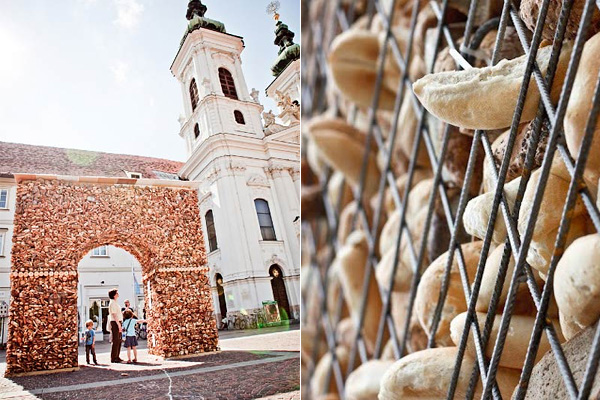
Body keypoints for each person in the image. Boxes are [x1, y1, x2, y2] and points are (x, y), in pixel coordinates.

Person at [107, 288, 123, 363]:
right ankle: (114, 357)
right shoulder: (112, 303)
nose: (118, 294)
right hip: (115, 322)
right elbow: (114, 314)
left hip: (117, 321)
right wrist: (119, 325)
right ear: (114, 295)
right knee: (116, 340)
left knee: (118, 340)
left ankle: (117, 356)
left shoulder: (114, 302)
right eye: (117, 293)